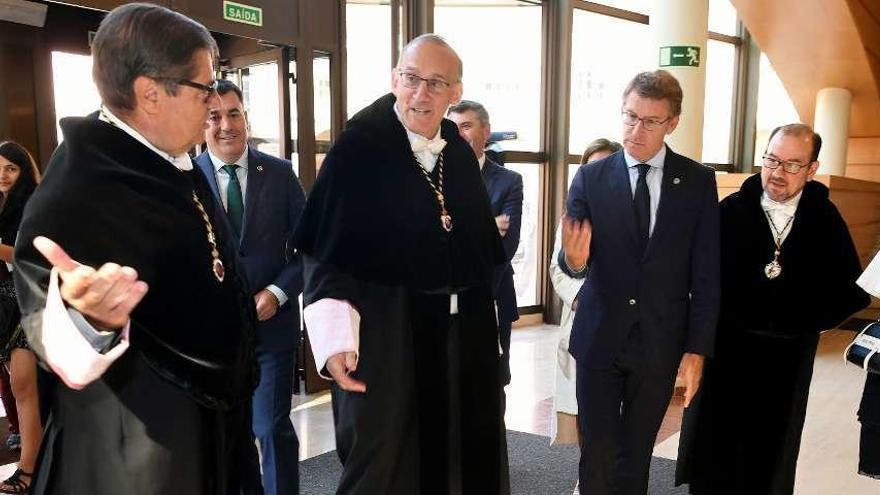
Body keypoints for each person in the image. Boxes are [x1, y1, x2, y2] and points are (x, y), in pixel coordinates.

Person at [12, 4, 262, 493]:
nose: (213, 104)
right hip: (140, 450)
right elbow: (47, 320)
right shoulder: (81, 184)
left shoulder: (170, 160)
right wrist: (91, 319)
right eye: (204, 88)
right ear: (150, 93)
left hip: (213, 429)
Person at [293, 34, 507, 493]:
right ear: (395, 79)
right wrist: (332, 343)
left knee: (460, 455)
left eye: (436, 83)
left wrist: (492, 334)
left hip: (460, 340)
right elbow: (324, 253)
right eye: (411, 79)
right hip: (386, 334)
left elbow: (480, 256)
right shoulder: (359, 146)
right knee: (385, 460)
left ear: (455, 92)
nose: (421, 93)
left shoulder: (457, 150)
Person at [676, 124, 870, 494]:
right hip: (726, 352)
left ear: (812, 169)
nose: (778, 173)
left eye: (793, 165)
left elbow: (852, 290)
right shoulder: (730, 211)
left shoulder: (825, 219)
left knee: (771, 455)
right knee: (714, 450)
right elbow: (697, 279)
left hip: (788, 357)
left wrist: (808, 321)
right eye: (771, 160)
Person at [559, 70, 720, 494]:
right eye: (630, 116)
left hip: (659, 341)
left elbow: (706, 273)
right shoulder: (591, 178)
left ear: (672, 123)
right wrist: (574, 260)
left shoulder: (698, 182)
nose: (635, 130)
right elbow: (572, 255)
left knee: (635, 454)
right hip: (599, 337)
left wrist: (698, 348)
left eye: (650, 121)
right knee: (597, 451)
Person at [195, 79, 306, 495]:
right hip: (213, 335)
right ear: (201, 123)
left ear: (246, 117)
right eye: (214, 116)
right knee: (225, 432)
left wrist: (277, 293)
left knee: (270, 425)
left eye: (234, 113)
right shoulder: (184, 178)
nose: (226, 125)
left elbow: (308, 248)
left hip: (271, 329)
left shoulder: (278, 173)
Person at [549, 138, 622, 448]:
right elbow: (558, 268)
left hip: (622, 325)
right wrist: (584, 300)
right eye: (591, 169)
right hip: (583, 321)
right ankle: (587, 476)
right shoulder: (573, 219)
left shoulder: (635, 217)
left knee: (615, 411)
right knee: (581, 407)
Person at [447, 100, 522, 387]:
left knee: (491, 385)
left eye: (466, 126)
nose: (460, 135)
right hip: (442, 302)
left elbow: (505, 247)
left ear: (486, 131)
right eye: (453, 129)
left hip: (492, 296)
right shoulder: (433, 180)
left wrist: (454, 233)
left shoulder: (508, 182)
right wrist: (485, 227)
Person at [0, 141, 41, 494]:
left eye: (10, 168)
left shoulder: (33, 202)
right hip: (6, 307)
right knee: (20, 387)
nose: (2, 175)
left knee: (23, 385)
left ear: (23, 170)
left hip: (32, 302)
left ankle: (28, 470)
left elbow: (30, 253)